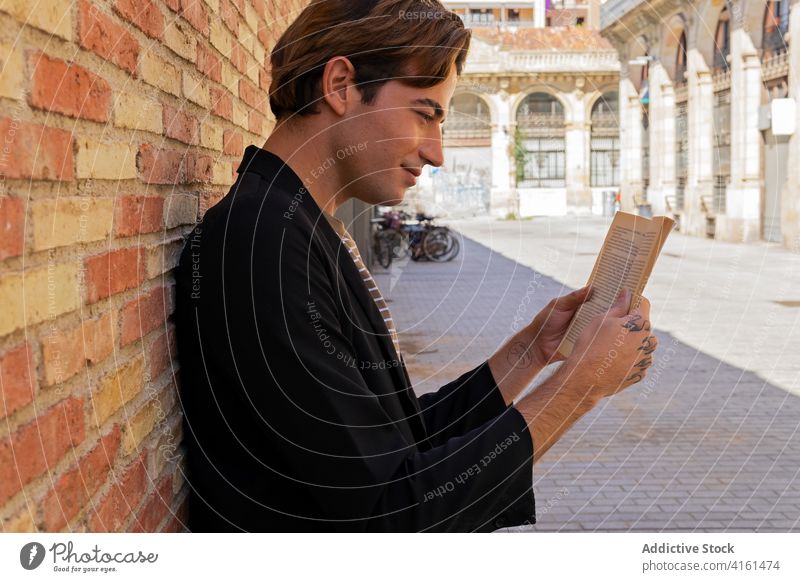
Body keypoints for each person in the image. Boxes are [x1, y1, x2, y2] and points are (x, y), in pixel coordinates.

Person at [174, 0, 658, 532]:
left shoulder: (294, 225)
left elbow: (396, 442)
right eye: (425, 114)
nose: (437, 152)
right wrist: (577, 387)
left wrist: (531, 351)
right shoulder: (260, 242)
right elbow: (391, 518)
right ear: (340, 86)